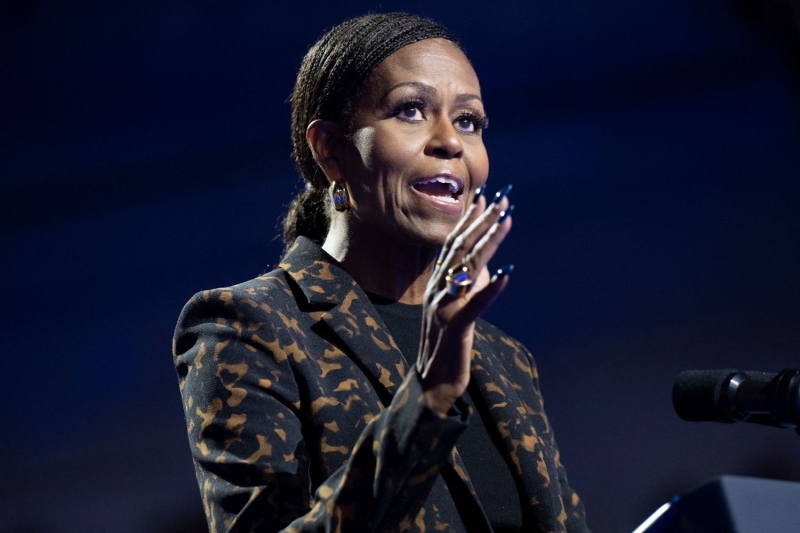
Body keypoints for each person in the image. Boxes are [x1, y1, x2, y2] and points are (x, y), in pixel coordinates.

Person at [173, 12, 589, 533]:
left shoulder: (506, 360)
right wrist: (432, 397)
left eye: (468, 121)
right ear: (330, 149)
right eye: (411, 111)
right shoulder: (248, 328)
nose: (450, 142)